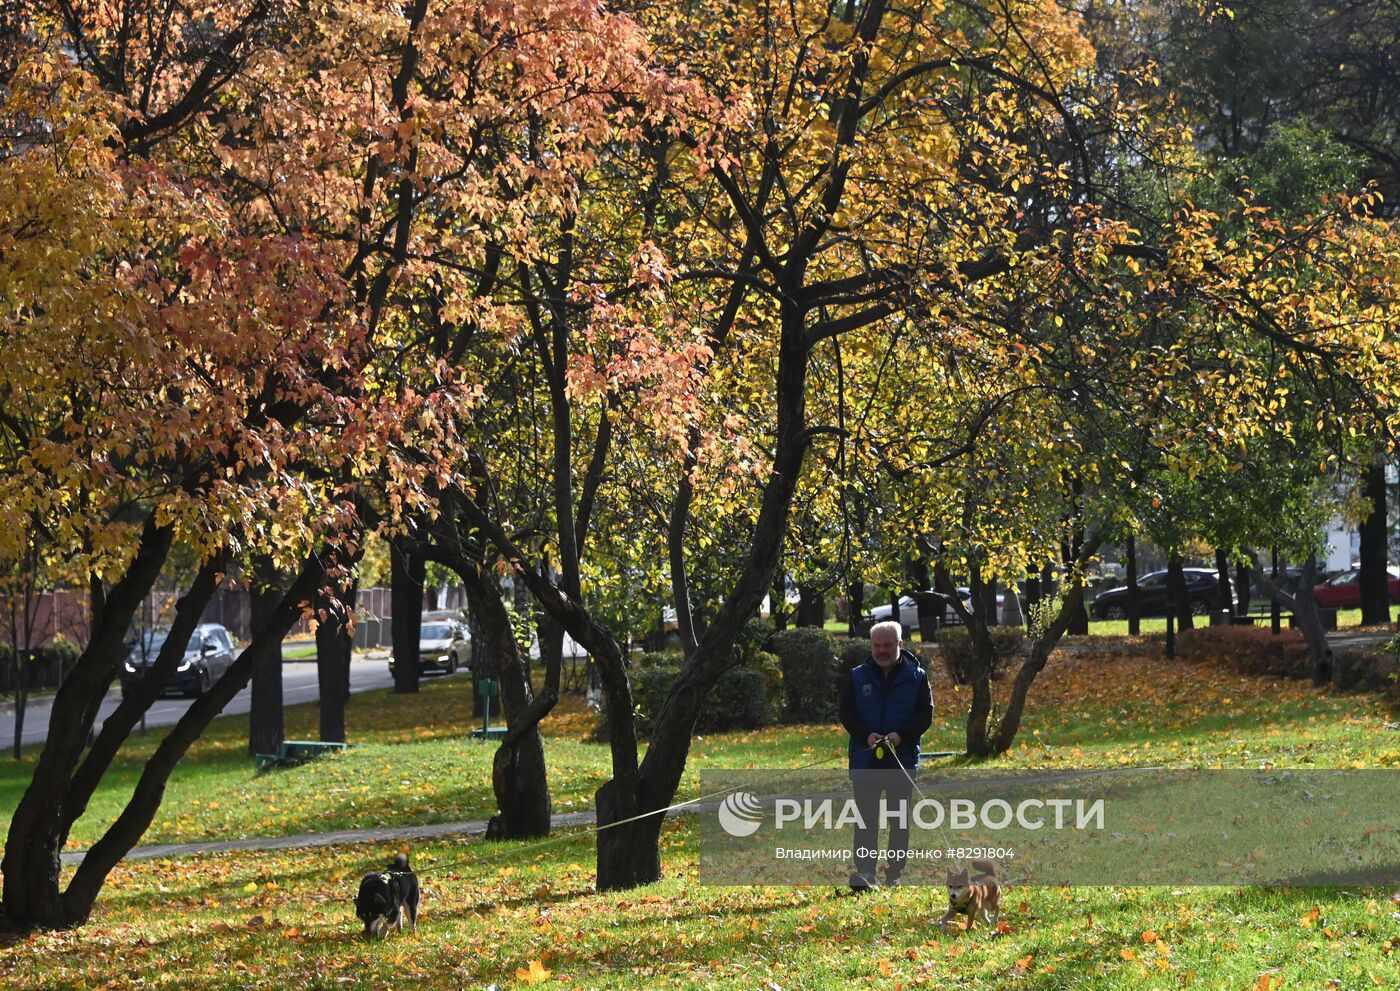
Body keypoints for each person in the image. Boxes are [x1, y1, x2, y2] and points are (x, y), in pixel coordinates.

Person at [839, 619, 933, 890]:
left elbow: (925, 714)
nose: (881, 650)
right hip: (865, 758)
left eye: (887, 645)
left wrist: (901, 735)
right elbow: (847, 712)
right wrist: (865, 734)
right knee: (866, 819)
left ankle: (894, 874)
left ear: (900, 645)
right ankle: (866, 874)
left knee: (898, 820)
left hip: (901, 760)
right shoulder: (856, 675)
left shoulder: (917, 676)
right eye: (876, 645)